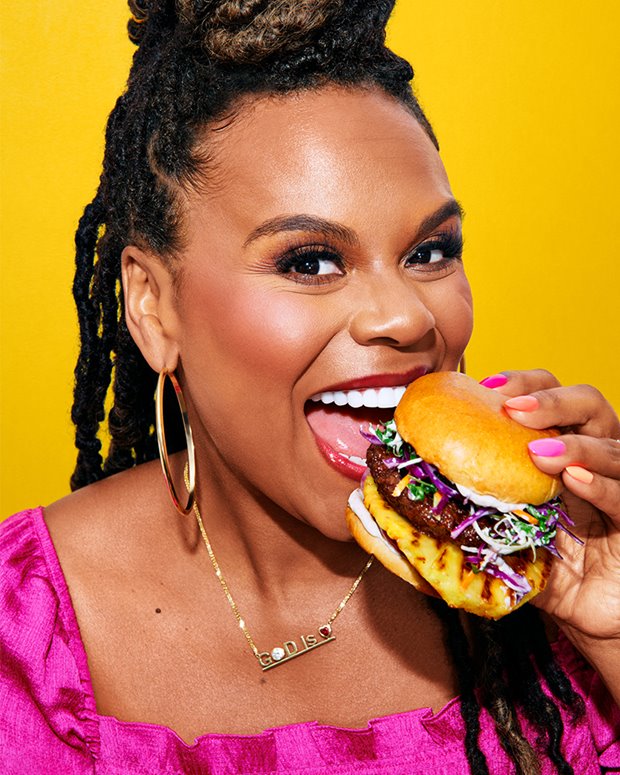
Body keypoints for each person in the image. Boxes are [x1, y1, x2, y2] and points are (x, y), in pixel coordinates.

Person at [1, 1, 619, 773]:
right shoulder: (21, 636)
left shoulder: (529, 592)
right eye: (310, 261)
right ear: (153, 307)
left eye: (430, 251)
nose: (406, 315)